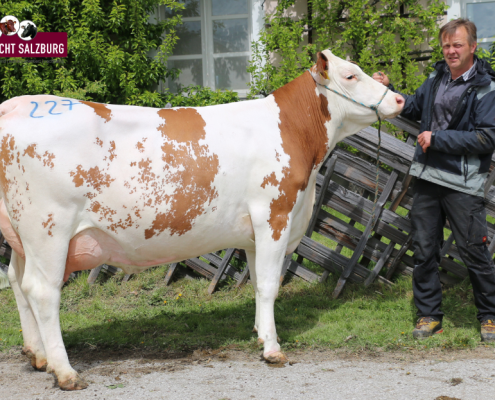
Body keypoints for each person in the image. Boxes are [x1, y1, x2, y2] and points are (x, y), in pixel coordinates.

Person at [373, 19, 495, 341]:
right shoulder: (436, 76)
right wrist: (388, 91)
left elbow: (486, 139)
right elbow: (413, 106)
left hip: (463, 184)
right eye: (446, 46)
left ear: (472, 46)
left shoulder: (487, 88)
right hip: (427, 177)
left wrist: (438, 139)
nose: (451, 51)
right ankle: (429, 316)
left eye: (457, 45)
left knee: (474, 252)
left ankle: (490, 317)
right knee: (425, 249)